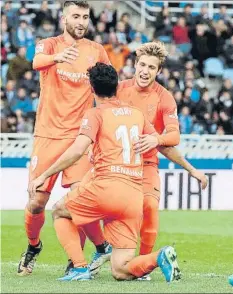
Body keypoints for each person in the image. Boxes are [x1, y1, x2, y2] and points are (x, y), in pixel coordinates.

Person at [28, 62, 181, 282]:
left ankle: (80, 268)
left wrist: (43, 175)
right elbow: (163, 145)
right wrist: (192, 170)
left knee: (60, 210)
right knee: (121, 269)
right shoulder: (136, 114)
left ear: (92, 89)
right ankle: (158, 257)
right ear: (117, 86)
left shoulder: (95, 114)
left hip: (106, 187)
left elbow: (78, 150)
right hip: (133, 197)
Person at [86, 41, 209, 280]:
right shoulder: (118, 89)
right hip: (113, 164)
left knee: (150, 207)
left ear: (159, 71)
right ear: (134, 64)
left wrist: (156, 140)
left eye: (151, 67)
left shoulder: (164, 98)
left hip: (146, 165)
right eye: (142, 64)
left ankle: (143, 265)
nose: (145, 70)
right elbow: (97, 119)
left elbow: (173, 136)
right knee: (89, 205)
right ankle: (97, 251)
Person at [18, 1, 112, 276]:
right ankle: (33, 246)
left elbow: (108, 86)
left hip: (80, 138)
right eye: (76, 16)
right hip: (48, 134)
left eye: (85, 16)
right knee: (37, 202)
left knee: (78, 200)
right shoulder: (48, 45)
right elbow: (35, 63)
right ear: (64, 19)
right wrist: (56, 58)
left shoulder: (96, 51)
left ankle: (82, 257)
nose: (81, 21)